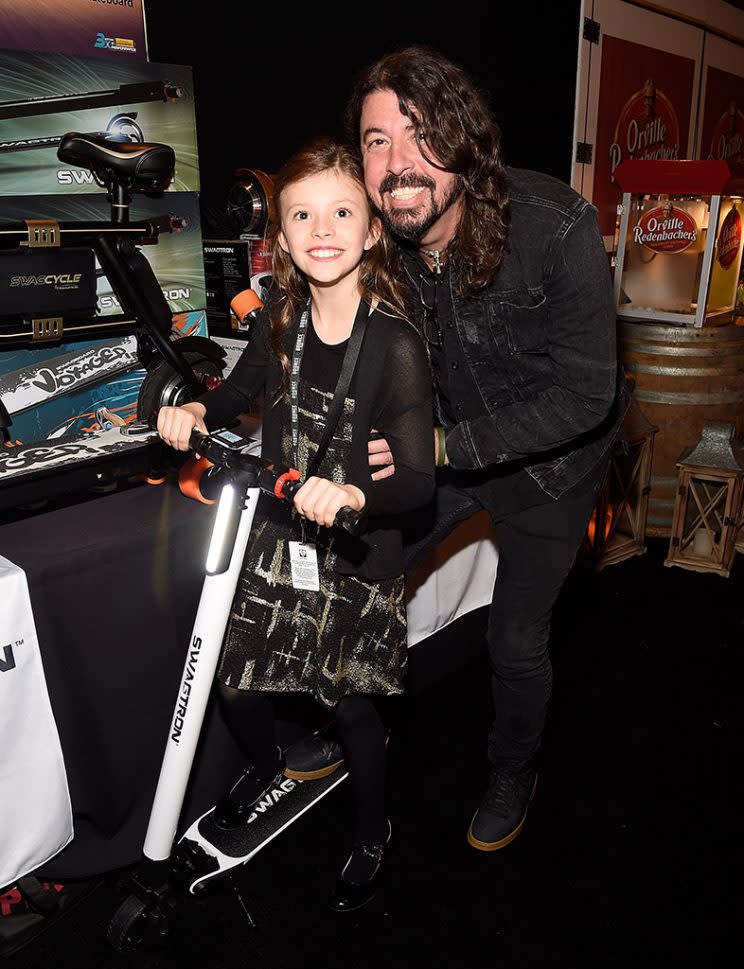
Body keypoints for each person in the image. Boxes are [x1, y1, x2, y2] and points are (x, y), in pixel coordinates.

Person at [337, 45, 629, 852]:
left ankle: (513, 764)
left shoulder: (556, 225)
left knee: (514, 636)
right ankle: (359, 725)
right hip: (447, 445)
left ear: (464, 139)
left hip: (550, 461)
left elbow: (586, 395)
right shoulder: (380, 241)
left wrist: (440, 444)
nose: (398, 164)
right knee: (356, 567)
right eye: (375, 141)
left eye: (420, 133)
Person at [156, 138, 434, 911]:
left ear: (373, 228)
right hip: (281, 541)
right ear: (278, 236)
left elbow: (417, 481)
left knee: (350, 708)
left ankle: (374, 828)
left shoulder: (396, 345)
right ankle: (281, 764)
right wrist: (191, 408)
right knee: (236, 684)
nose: (322, 228)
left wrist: (351, 497)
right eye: (302, 214)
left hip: (354, 555)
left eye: (342, 210)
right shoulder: (280, 315)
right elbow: (238, 387)